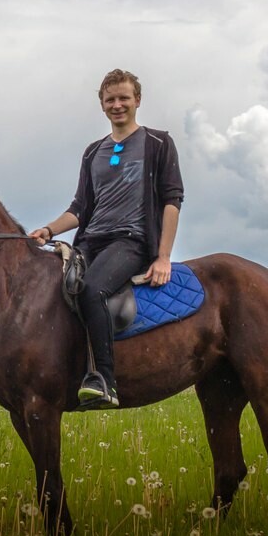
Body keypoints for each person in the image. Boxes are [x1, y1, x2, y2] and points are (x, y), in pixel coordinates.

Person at [29, 70, 184, 408]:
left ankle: (105, 381)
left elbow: (172, 200)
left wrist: (163, 257)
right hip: (90, 241)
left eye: (124, 98)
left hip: (131, 242)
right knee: (54, 291)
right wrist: (50, 230)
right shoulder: (93, 152)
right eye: (110, 100)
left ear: (137, 101)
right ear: (102, 105)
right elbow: (80, 208)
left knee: (92, 289)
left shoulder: (157, 143)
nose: (117, 105)